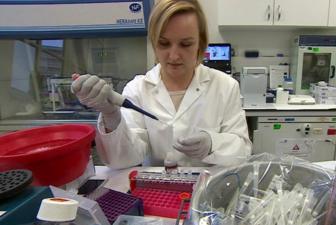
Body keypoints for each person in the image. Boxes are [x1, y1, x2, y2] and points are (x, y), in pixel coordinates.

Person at [71, 0, 251, 169]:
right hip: (158, 192)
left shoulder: (225, 86)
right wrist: (111, 115)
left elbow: (242, 150)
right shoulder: (138, 89)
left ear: (200, 43)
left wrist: (212, 144)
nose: (173, 56)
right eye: (164, 44)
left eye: (185, 44)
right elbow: (121, 161)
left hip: (210, 192)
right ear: (154, 43)